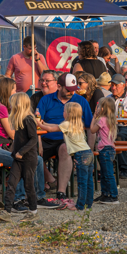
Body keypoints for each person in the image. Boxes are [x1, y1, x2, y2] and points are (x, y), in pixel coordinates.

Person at [36, 73, 93, 207]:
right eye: (68, 89)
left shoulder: (81, 101)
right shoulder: (46, 100)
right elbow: (38, 122)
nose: (71, 92)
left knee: (65, 149)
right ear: (59, 86)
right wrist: (38, 143)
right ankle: (43, 185)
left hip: (68, 140)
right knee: (33, 151)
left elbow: (90, 127)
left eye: (73, 89)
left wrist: (89, 148)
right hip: (46, 139)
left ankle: (61, 192)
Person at [3, 92, 38, 214]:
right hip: (18, 158)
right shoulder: (19, 120)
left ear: (19, 104)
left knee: (29, 185)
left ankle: (33, 211)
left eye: (12, 104)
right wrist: (14, 152)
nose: (10, 106)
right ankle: (7, 211)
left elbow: (34, 139)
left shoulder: (28, 119)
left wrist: (21, 152)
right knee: (11, 183)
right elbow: (18, 140)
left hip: (28, 158)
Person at [90, 96, 119, 204]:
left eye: (98, 106)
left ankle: (113, 196)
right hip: (110, 149)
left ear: (102, 109)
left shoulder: (101, 120)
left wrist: (94, 117)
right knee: (105, 172)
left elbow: (92, 130)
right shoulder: (111, 119)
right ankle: (105, 194)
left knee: (107, 174)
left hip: (105, 150)